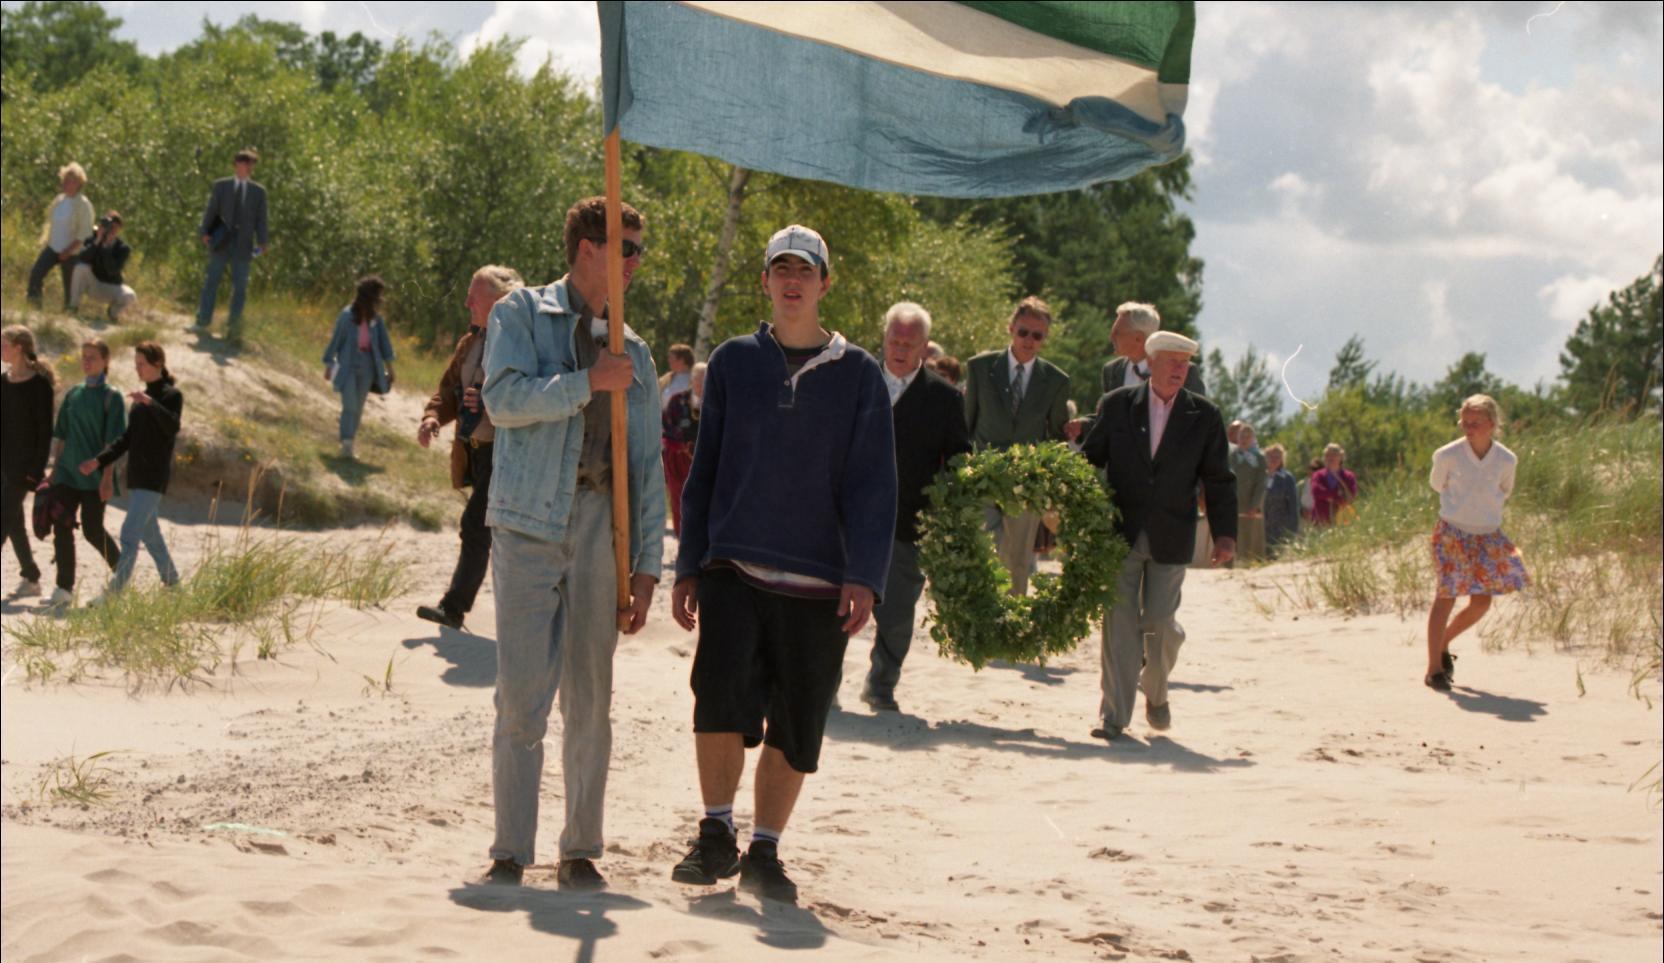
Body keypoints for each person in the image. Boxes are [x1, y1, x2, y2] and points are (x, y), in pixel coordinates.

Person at [669, 224, 895, 905]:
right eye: (781, 269)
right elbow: (704, 470)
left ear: (825, 283)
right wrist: (688, 563)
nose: (792, 281)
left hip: (820, 581)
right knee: (717, 698)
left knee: (797, 722)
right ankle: (715, 832)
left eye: (805, 270)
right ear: (764, 280)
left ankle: (765, 849)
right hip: (733, 568)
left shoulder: (859, 374)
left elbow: (874, 484)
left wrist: (865, 576)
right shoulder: (733, 362)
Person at [477, 196, 665, 891]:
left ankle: (580, 849)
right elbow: (503, 401)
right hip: (528, 522)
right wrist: (588, 384)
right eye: (627, 248)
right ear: (590, 248)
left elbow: (646, 466)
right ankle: (510, 851)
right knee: (521, 696)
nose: (636, 262)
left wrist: (646, 566)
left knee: (590, 698)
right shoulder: (521, 314)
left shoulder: (634, 350)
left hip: (598, 530)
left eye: (639, 249)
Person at [1081, 331, 1235, 740]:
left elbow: (1218, 478)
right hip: (1120, 530)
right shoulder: (1117, 405)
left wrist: (1224, 534)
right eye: (1172, 361)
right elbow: (1090, 459)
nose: (1180, 370)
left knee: (1159, 624)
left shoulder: (1204, 415)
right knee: (1119, 623)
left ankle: (1156, 690)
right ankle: (1114, 716)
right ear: (1150, 363)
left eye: (1185, 364)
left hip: (1173, 532)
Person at [861, 302, 970, 712]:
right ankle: (825, 686)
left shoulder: (944, 397)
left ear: (925, 347)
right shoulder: (857, 380)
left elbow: (959, 457)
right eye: (894, 340)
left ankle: (881, 685)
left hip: (908, 522)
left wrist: (945, 505)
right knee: (832, 608)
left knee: (896, 613)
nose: (900, 349)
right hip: (848, 519)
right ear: (884, 338)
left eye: (909, 344)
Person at [414, 265, 524, 630]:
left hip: (506, 454)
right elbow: (448, 390)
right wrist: (433, 417)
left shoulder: (521, 344)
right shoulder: (470, 342)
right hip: (473, 452)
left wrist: (491, 403)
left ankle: (454, 609)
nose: (466, 304)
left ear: (498, 302)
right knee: (488, 530)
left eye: (473, 298)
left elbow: (529, 395)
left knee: (477, 526)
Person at [963, 296, 1071, 595]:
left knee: (1018, 560)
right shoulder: (980, 367)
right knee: (981, 552)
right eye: (1023, 332)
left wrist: (1048, 483)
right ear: (1011, 328)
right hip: (982, 476)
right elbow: (967, 424)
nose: (1029, 340)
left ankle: (1013, 615)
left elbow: (1056, 438)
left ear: (1045, 338)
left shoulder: (1056, 380)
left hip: (1027, 484)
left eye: (1037, 335)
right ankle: (981, 613)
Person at [1424, 395, 1528, 691]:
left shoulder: (1506, 459)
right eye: (1465, 422)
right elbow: (1437, 484)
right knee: (1446, 595)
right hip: (1452, 532)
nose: (1469, 428)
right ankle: (1434, 669)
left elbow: (1504, 490)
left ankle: (1444, 643)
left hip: (1488, 536)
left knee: (1481, 602)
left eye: (1476, 423)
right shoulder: (1447, 455)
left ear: (1492, 425)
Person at [81, 342, 183, 599]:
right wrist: (98, 461)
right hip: (137, 477)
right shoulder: (139, 402)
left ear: (157, 364)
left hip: (154, 478)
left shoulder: (171, 396)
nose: (137, 369)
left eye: (142, 364)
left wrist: (150, 403)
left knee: (129, 533)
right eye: (136, 364)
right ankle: (174, 587)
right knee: (151, 535)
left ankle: (113, 595)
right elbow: (126, 440)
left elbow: (172, 427)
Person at [46, 338, 126, 608]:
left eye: (92, 356)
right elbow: (61, 436)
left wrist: (107, 478)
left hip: (95, 479)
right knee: (62, 528)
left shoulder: (112, 397)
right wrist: (54, 471)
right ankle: (63, 588)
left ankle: (122, 575)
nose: (86, 361)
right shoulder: (73, 394)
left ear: (106, 361)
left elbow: (113, 443)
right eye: (84, 356)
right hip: (67, 475)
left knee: (92, 530)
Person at [1, 326, 56, 598]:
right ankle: (32, 578)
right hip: (3, 463)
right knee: (13, 521)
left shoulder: (40, 385)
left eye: (4, 344)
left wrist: (36, 470)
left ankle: (32, 578)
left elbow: (44, 432)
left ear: (19, 347)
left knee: (3, 518)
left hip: (23, 468)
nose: (1, 350)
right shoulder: (3, 381)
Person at [194, 148, 268, 343]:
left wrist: (262, 242)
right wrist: (205, 232)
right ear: (236, 164)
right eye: (244, 163)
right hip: (220, 240)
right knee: (212, 281)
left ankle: (233, 329)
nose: (248, 167)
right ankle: (202, 321)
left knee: (240, 287)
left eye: (251, 164)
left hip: (244, 244)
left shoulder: (258, 191)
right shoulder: (221, 186)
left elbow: (261, 219)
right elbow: (212, 210)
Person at [322, 275, 396, 461]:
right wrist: (329, 363)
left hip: (368, 367)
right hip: (347, 366)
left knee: (358, 407)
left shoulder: (376, 321)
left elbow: (385, 346)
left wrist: (390, 370)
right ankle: (346, 444)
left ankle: (348, 444)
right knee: (350, 404)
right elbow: (336, 340)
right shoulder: (346, 316)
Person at [27, 162, 95, 311]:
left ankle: (69, 315)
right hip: (53, 247)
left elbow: (84, 233)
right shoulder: (59, 200)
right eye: (65, 180)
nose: (67, 184)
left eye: (71, 181)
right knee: (36, 273)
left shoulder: (83, 205)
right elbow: (51, 223)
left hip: (72, 252)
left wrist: (68, 251)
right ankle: (34, 308)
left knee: (70, 288)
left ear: (79, 183)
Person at [661, 361, 706, 537]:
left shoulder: (717, 401)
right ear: (692, 380)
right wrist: (684, 444)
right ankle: (682, 538)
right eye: (699, 379)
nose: (702, 383)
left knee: (704, 499)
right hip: (678, 457)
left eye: (706, 379)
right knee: (678, 498)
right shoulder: (677, 401)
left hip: (706, 460)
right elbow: (667, 425)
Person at [70, 211, 137, 321]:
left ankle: (113, 313)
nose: (111, 229)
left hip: (111, 287)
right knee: (80, 268)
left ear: (119, 228)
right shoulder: (93, 240)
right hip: (93, 284)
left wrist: (107, 247)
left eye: (114, 227)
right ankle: (73, 307)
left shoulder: (123, 248)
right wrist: (97, 241)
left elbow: (112, 270)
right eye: (109, 226)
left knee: (130, 296)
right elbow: (82, 258)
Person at [1230, 423, 1268, 563]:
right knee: (1233, 535)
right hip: (1235, 502)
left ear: (1253, 439)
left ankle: (1252, 563)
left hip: (1252, 503)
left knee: (1251, 535)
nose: (1244, 439)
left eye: (1247, 436)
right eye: (1242, 436)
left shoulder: (1259, 458)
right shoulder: (1232, 456)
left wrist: (1255, 504)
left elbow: (1261, 482)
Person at [1263, 443, 1300, 554]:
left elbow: (1293, 505)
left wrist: (1293, 529)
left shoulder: (1287, 478)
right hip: (1261, 526)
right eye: (1271, 456)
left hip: (1281, 526)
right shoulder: (1260, 476)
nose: (1274, 459)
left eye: (1277, 457)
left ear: (1282, 459)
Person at [1309, 443, 1357, 526]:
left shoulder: (1349, 476)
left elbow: (1351, 495)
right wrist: (1337, 495)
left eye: (1334, 454)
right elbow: (1316, 491)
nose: (1330, 457)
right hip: (1321, 520)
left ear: (1341, 457)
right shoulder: (1317, 475)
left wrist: (1329, 496)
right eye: (1327, 455)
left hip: (1343, 520)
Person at [659, 343, 695, 408]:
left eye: (671, 357)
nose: (668, 360)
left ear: (682, 360)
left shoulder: (695, 379)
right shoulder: (664, 379)